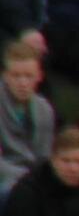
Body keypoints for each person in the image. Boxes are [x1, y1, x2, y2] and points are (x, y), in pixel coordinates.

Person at [0, 41, 53, 194]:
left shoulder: (45, 109)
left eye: (28, 76)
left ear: (39, 76)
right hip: (6, 179)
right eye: (16, 76)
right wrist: (26, 178)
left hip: (34, 180)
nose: (22, 83)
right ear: (5, 76)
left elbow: (44, 157)